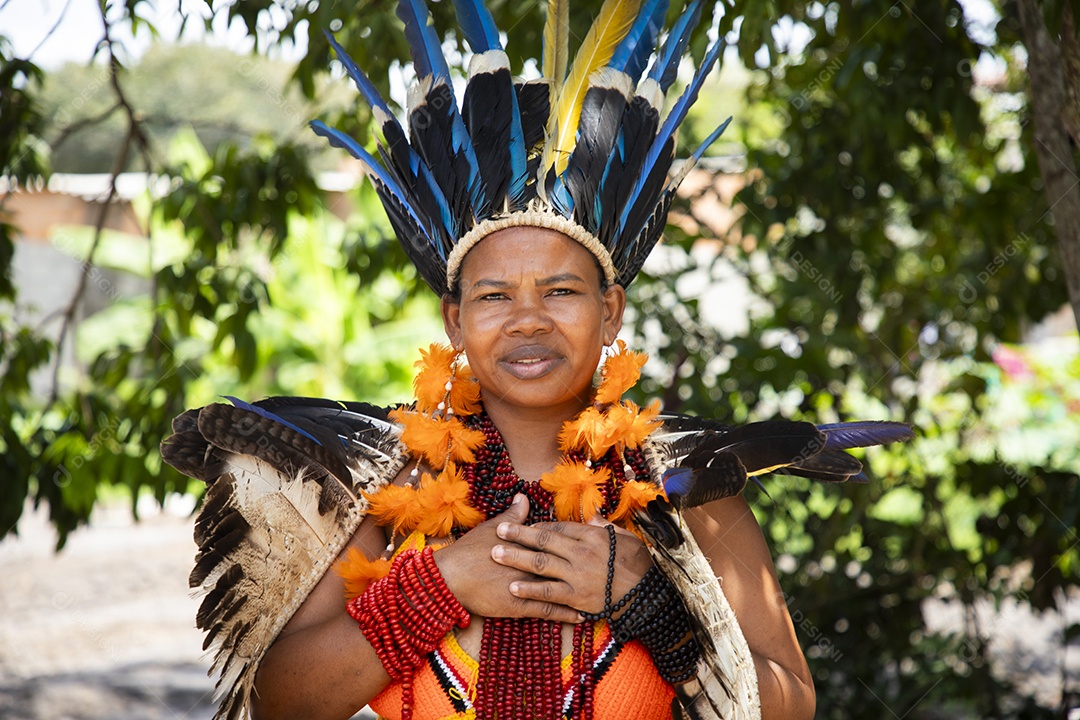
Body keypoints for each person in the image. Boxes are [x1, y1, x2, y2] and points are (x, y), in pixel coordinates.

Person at [162, 1, 910, 718]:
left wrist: (651, 600)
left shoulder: (681, 490)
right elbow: (275, 703)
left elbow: (790, 704)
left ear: (609, 309)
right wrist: (440, 586)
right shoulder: (380, 493)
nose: (528, 321)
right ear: (454, 321)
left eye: (560, 290)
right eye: (493, 297)